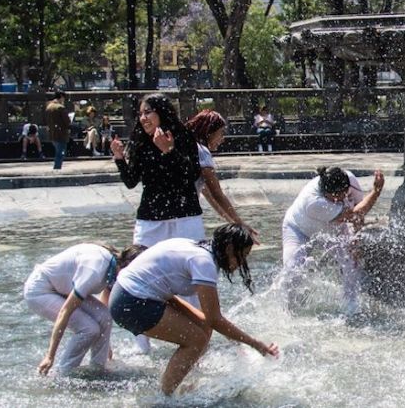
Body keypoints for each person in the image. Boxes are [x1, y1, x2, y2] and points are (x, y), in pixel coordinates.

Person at [109, 224, 279, 396]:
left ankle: (184, 383)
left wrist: (228, 337)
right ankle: (164, 398)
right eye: (242, 256)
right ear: (229, 248)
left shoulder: (198, 249)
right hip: (130, 302)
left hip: (128, 295)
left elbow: (207, 318)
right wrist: (256, 344)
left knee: (203, 328)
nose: (242, 263)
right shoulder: (203, 262)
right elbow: (215, 318)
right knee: (196, 340)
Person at [24, 243, 144, 375]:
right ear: (127, 264)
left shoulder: (112, 265)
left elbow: (103, 314)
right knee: (89, 329)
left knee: (105, 316)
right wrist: (50, 356)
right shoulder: (95, 271)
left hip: (62, 288)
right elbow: (65, 312)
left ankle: (98, 369)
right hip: (40, 290)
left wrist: (104, 344)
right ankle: (63, 374)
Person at [282, 166, 385, 316]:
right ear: (324, 193)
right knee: (293, 270)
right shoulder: (313, 202)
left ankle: (351, 306)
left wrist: (356, 241)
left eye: (343, 194)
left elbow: (358, 216)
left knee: (351, 261)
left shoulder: (350, 180)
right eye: (334, 196)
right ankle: (290, 312)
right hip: (299, 229)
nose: (340, 199)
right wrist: (376, 192)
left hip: (334, 229)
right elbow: (355, 212)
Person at [111, 93, 204, 248]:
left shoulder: (183, 136)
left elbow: (193, 174)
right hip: (150, 218)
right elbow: (130, 181)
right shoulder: (140, 142)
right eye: (140, 114)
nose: (143, 118)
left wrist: (170, 151)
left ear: (161, 112)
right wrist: (119, 158)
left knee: (190, 265)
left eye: (147, 112)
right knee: (139, 264)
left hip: (185, 217)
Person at [185, 110, 258, 239]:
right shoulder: (202, 152)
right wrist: (240, 224)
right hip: (186, 218)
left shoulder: (188, 148)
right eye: (221, 133)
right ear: (209, 132)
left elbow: (207, 193)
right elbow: (216, 194)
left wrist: (232, 222)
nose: (222, 139)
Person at [45, 90, 71, 170]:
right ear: (61, 97)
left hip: (52, 133)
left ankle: (57, 167)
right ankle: (57, 168)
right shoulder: (60, 107)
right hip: (61, 133)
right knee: (60, 152)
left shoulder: (49, 107)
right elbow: (67, 121)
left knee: (58, 151)